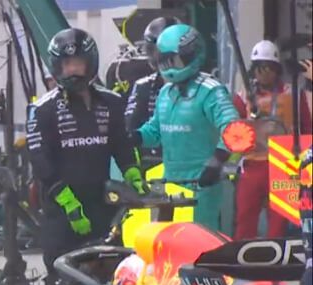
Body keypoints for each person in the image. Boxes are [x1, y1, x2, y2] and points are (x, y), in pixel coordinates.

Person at [28, 28, 141, 285]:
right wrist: (69, 204)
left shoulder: (112, 102)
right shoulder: (42, 109)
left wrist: (133, 172)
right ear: (58, 67)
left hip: (103, 205)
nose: (74, 71)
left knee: (111, 273)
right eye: (67, 65)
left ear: (90, 63)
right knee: (61, 278)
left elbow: (122, 144)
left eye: (79, 64)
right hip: (62, 210)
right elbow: (41, 162)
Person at [136, 24, 239, 233]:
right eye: (164, 61)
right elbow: (155, 131)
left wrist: (217, 161)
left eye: (174, 60)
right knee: (167, 245)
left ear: (192, 55)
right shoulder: (165, 93)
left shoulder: (211, 90)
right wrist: (134, 137)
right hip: (169, 186)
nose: (170, 66)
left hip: (203, 186)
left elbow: (236, 129)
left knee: (203, 247)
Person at [232, 40, 312, 239]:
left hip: (284, 165)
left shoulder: (293, 93)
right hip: (252, 164)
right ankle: (241, 263)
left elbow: (307, 127)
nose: (264, 73)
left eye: (268, 68)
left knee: (279, 221)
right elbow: (232, 128)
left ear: (277, 69)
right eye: (259, 68)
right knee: (245, 219)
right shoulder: (243, 96)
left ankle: (276, 264)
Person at [124, 16, 181, 172]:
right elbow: (130, 130)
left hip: (193, 164)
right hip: (154, 167)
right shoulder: (143, 86)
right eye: (155, 50)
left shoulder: (205, 86)